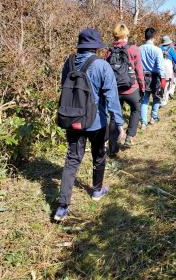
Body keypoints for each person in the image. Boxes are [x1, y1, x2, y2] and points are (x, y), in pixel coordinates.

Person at [54, 28, 125, 221]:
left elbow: (64, 89)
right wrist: (119, 123)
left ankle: (62, 206)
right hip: (96, 121)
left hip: (72, 119)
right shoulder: (102, 65)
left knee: (72, 159)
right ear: (96, 46)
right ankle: (96, 190)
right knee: (99, 155)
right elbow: (111, 97)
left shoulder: (68, 63)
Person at [106, 24, 145, 152]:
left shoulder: (109, 51)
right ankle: (129, 137)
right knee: (136, 109)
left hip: (115, 90)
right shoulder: (133, 49)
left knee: (114, 115)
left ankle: (113, 147)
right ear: (126, 35)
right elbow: (139, 70)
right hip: (131, 88)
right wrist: (142, 87)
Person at [139, 27, 166, 130]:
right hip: (155, 77)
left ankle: (143, 123)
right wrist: (163, 78)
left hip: (143, 76)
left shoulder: (139, 48)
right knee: (156, 98)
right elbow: (160, 66)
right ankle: (153, 118)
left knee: (144, 100)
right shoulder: (157, 50)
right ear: (153, 37)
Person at [160, 36, 176, 106]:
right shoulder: (171, 49)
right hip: (168, 69)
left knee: (161, 83)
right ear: (168, 43)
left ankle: (160, 98)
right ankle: (164, 100)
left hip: (160, 68)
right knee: (167, 84)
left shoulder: (159, 49)